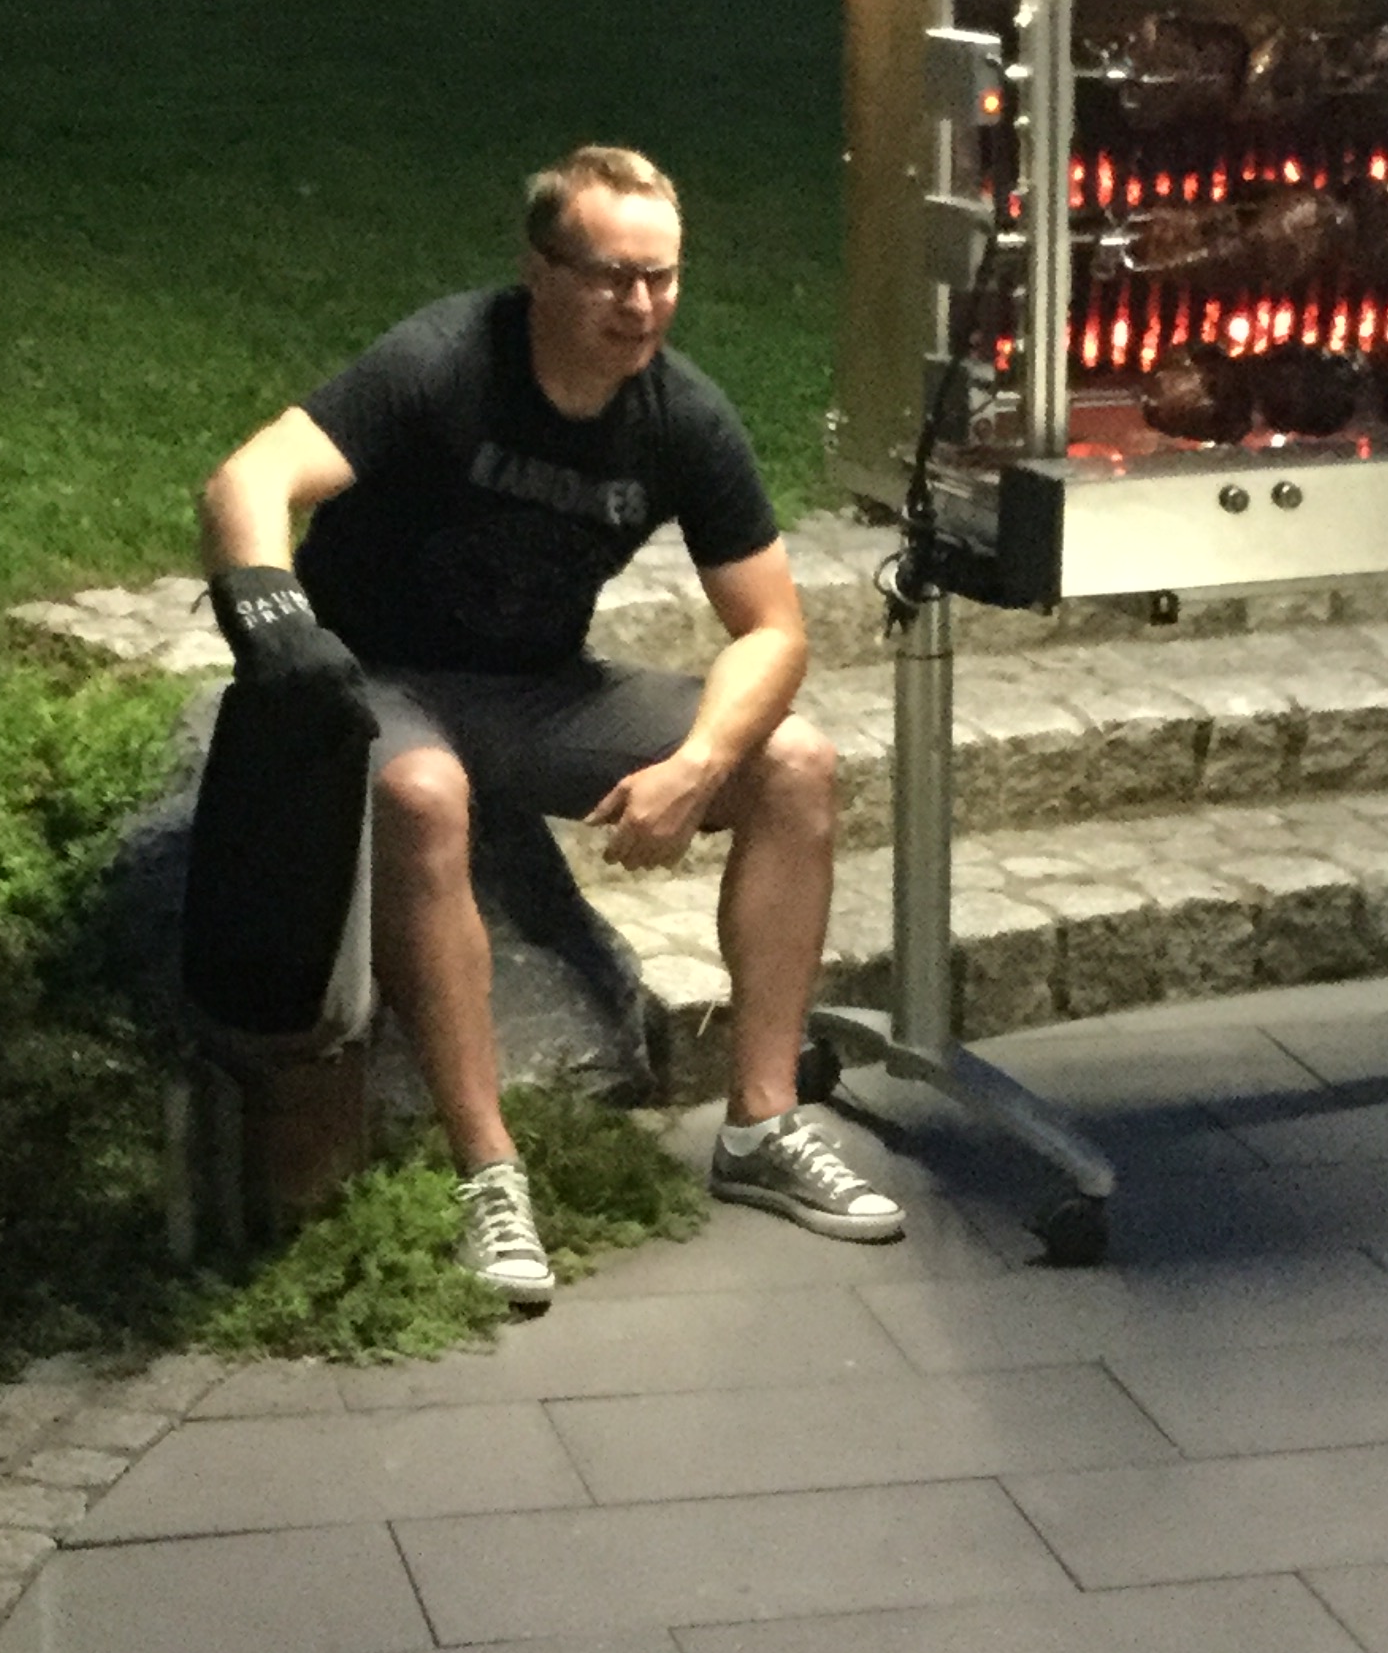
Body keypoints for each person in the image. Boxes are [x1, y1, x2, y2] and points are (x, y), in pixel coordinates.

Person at [196, 142, 904, 1307]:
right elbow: (248, 481)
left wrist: (697, 765)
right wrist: (274, 617)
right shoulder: (446, 361)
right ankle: (490, 1173)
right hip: (384, 678)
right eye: (612, 276)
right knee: (422, 793)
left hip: (538, 692)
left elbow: (773, 629)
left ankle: (762, 1125)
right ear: (540, 271)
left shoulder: (682, 415)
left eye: (662, 278)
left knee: (794, 763)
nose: (641, 306)